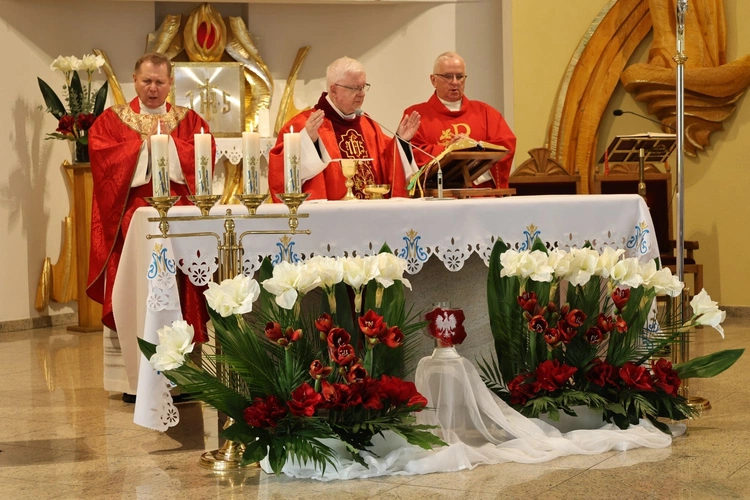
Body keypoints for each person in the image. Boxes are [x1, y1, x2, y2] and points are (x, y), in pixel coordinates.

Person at [87, 52, 214, 397]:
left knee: (182, 292)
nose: (153, 88)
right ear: (134, 80)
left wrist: (168, 145)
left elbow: (203, 155)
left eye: (160, 81)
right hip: (131, 224)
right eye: (147, 81)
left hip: (179, 224)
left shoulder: (189, 121)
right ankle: (134, 381)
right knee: (136, 294)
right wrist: (142, 149)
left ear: (171, 83)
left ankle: (185, 379)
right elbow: (102, 160)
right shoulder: (112, 121)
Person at [268, 56, 421, 201]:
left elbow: (387, 163)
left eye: (363, 87)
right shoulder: (303, 125)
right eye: (355, 88)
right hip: (330, 216)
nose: (362, 94)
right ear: (334, 90)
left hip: (372, 213)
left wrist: (401, 142)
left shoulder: (368, 125)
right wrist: (309, 142)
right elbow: (280, 174)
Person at [403, 52, 516, 188]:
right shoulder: (416, 115)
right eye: (448, 76)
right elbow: (411, 153)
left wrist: (475, 148)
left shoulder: (486, 112)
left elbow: (506, 145)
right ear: (433, 80)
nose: (455, 82)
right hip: (437, 195)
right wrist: (448, 150)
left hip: (481, 194)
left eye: (460, 76)